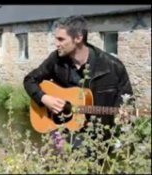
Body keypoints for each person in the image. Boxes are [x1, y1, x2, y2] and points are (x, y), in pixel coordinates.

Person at [23, 16, 133, 150]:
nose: (56, 44)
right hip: (65, 132)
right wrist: (44, 98)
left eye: (61, 39)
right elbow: (29, 80)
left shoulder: (113, 66)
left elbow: (127, 99)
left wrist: (124, 114)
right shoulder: (56, 59)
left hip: (100, 136)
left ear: (78, 38)